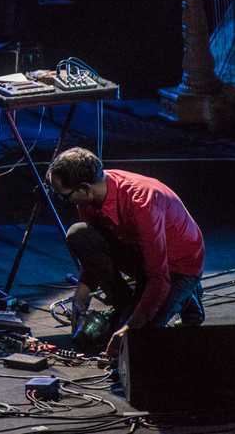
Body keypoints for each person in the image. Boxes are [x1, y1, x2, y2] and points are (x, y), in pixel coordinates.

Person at [45, 147, 205, 358]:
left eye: (63, 196)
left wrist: (130, 327)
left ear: (85, 188)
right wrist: (81, 295)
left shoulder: (141, 203)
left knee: (134, 342)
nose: (63, 200)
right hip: (140, 251)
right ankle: (127, 305)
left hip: (177, 265)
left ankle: (187, 294)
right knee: (79, 234)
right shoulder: (91, 195)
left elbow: (158, 278)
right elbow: (95, 251)